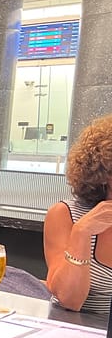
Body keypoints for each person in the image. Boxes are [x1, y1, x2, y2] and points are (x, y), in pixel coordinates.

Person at [44, 114, 112, 313]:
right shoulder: (66, 214)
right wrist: (82, 232)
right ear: (104, 172)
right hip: (80, 329)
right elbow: (68, 300)